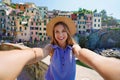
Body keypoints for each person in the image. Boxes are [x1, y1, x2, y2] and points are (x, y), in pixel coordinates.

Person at [0, 16, 120, 80]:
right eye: (57, 32)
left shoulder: (73, 47)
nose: (60, 34)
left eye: (63, 31)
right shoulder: (51, 47)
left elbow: (81, 53)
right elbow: (39, 53)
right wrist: (25, 56)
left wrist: (99, 61)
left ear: (68, 33)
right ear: (53, 34)